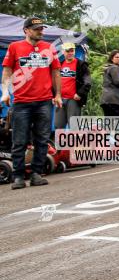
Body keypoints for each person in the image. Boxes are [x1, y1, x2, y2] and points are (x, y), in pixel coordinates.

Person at [0, 17, 61, 189]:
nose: (40, 31)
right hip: (21, 102)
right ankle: (18, 176)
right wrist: (5, 92)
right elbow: (7, 70)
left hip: (44, 102)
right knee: (19, 140)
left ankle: (36, 174)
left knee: (42, 140)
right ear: (26, 30)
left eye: (41, 28)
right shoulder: (15, 47)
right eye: (36, 29)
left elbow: (56, 72)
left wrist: (58, 95)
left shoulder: (48, 48)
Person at [54, 42, 91, 129]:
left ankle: (75, 142)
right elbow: (54, 81)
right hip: (61, 100)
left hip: (73, 100)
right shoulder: (60, 64)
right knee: (58, 125)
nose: (70, 53)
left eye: (72, 50)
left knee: (74, 126)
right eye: (68, 51)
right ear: (63, 52)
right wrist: (54, 95)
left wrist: (80, 93)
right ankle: (60, 142)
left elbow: (88, 82)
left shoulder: (81, 65)